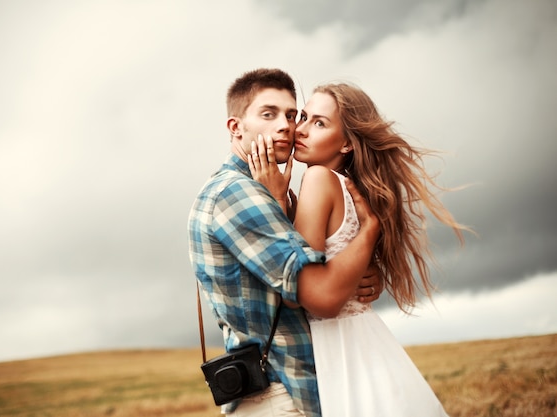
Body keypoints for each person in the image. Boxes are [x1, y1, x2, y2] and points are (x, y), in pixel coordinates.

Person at [250, 81, 471, 416]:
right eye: (305, 117)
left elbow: (295, 290)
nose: (301, 130)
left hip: (339, 346)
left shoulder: (318, 179)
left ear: (348, 144)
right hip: (365, 338)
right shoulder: (349, 189)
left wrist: (276, 201)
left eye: (320, 123)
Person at [187, 69, 383, 417]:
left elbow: (314, 262)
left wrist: (360, 276)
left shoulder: (275, 192)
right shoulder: (236, 193)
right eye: (269, 114)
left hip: (302, 389)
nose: (287, 126)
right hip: (278, 394)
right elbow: (317, 294)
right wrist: (369, 232)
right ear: (236, 127)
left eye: (293, 115)